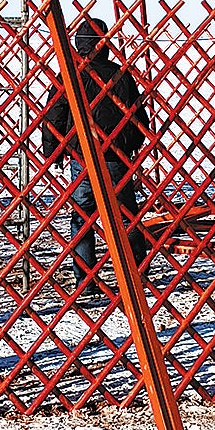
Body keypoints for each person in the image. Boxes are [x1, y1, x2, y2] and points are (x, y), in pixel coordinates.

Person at [41, 16, 154, 280]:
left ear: (79, 43)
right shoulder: (120, 74)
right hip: (116, 155)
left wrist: (53, 152)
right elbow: (139, 117)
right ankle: (138, 271)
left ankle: (86, 278)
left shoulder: (70, 75)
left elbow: (54, 115)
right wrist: (130, 146)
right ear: (105, 43)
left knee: (82, 217)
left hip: (82, 156)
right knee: (126, 214)